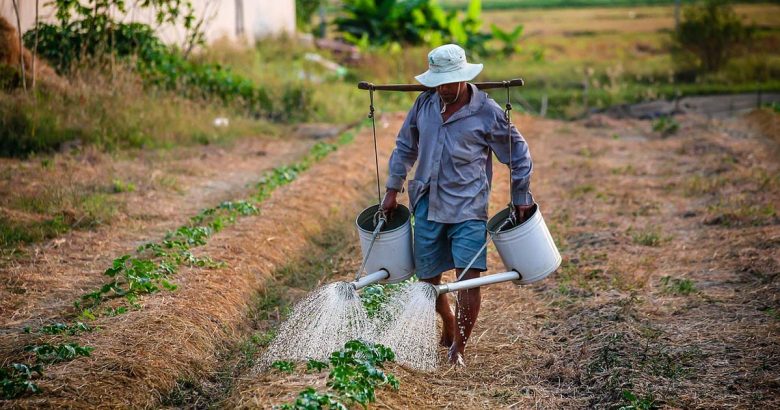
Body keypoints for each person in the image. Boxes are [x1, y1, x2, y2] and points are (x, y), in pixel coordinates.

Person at [380, 44, 534, 366]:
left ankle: (458, 350)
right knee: (428, 281)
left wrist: (520, 196)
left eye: (450, 83)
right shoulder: (424, 104)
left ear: (464, 78)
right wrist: (392, 189)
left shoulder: (487, 112)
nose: (444, 89)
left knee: (469, 277)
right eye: (439, 83)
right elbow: (405, 147)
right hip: (427, 202)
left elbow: (518, 154)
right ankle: (448, 320)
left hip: (468, 207)